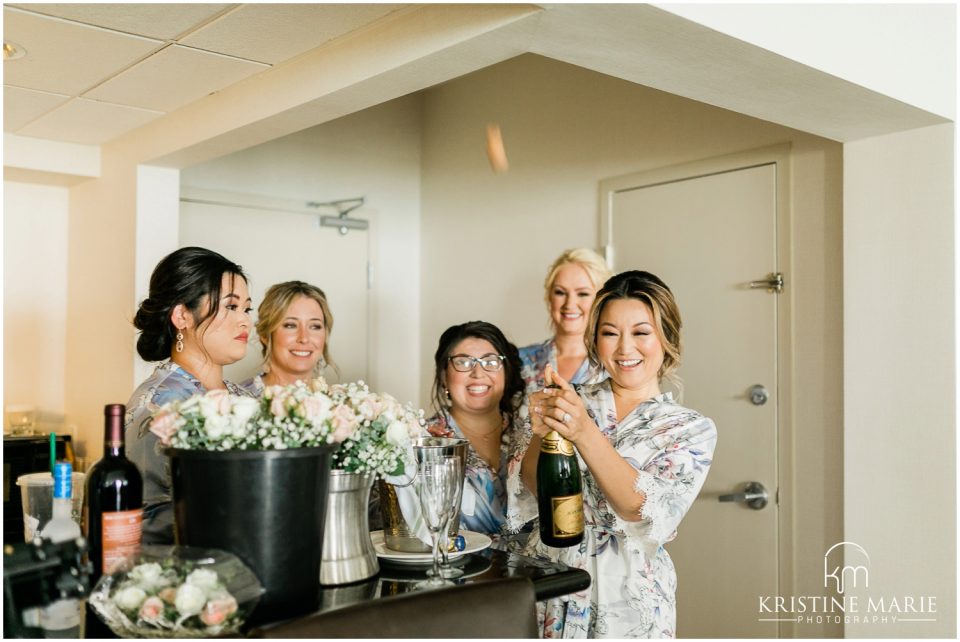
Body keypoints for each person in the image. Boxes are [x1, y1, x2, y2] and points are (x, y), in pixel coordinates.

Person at [515, 270, 717, 638]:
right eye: (610, 333)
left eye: (641, 332)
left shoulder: (690, 429)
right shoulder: (571, 399)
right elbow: (532, 485)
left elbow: (636, 507)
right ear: (594, 339)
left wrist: (584, 433)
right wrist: (540, 433)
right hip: (552, 579)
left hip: (629, 597)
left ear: (667, 337)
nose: (625, 349)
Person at [126, 246, 252, 544]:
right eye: (231, 307)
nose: (245, 321)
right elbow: (143, 522)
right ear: (182, 315)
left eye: (247, 308)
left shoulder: (241, 397)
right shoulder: (160, 406)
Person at [425, 321, 533, 549]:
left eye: (490, 362)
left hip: (532, 575)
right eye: (463, 362)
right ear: (444, 376)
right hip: (459, 575)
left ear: (505, 372)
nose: (478, 373)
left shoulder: (532, 435)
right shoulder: (423, 440)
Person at [519, 248, 613, 393]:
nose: (569, 304)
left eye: (583, 293)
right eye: (560, 292)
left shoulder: (615, 365)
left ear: (601, 300)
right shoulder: (519, 361)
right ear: (549, 297)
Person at [240, 280, 335, 395]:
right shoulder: (236, 401)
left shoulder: (343, 403)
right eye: (290, 325)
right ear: (265, 335)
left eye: (315, 326)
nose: (304, 338)